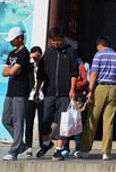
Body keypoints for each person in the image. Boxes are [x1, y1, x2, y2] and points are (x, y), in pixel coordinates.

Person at [77, 36, 116, 161]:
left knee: (92, 119)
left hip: (100, 88)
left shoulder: (98, 55)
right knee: (109, 122)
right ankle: (106, 152)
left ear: (99, 46)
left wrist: (90, 90)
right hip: (114, 88)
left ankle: (84, 150)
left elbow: (94, 73)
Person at [35, 27, 78, 161]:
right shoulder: (48, 53)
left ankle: (59, 149)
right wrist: (37, 89)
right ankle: (47, 143)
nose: (55, 43)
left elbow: (74, 72)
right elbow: (41, 74)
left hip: (65, 94)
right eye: (52, 41)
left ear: (62, 39)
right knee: (44, 120)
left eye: (57, 40)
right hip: (49, 93)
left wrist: (72, 89)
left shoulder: (71, 52)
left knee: (63, 122)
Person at [1, 27, 31, 161]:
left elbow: (11, 72)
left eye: (13, 39)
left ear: (20, 38)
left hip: (20, 91)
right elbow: (4, 72)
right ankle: (22, 146)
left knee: (18, 121)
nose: (11, 42)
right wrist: (11, 71)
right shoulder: (11, 53)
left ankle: (14, 151)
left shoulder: (24, 53)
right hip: (10, 90)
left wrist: (11, 71)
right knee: (5, 119)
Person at [20, 46, 47, 158]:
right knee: (29, 122)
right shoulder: (29, 67)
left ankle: (42, 146)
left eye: (38, 56)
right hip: (30, 97)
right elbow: (22, 67)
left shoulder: (45, 66)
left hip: (42, 96)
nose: (36, 58)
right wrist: (30, 57)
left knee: (42, 123)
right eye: (34, 56)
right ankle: (28, 147)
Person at [71, 53, 90, 155]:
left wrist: (73, 86)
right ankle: (65, 147)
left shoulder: (81, 66)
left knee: (78, 122)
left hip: (78, 96)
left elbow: (85, 81)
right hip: (68, 96)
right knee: (67, 121)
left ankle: (78, 146)